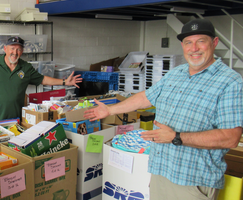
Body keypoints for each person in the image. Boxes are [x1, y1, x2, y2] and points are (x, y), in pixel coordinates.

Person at [84, 19, 243, 200]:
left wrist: (177, 138)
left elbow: (231, 138)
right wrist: (110, 110)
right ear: (182, 45)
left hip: (192, 182)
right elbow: (146, 97)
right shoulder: (177, 73)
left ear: (214, 43)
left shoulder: (230, 82)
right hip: (161, 171)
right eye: (188, 42)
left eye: (201, 41)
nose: (194, 48)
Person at [0, 36, 83, 123]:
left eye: (19, 49)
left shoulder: (26, 67)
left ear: (22, 51)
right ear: (5, 49)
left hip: (16, 119)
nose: (15, 52)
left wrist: (65, 82)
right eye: (12, 48)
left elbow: (42, 79)